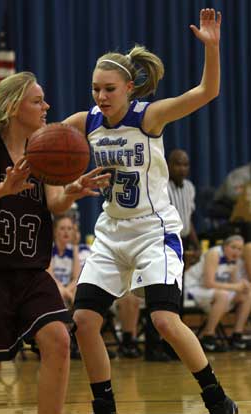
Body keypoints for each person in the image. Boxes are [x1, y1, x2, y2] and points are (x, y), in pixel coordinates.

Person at [64, 9, 238, 414]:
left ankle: (216, 397)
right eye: (95, 90)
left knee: (163, 321)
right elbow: (43, 140)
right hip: (110, 232)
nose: (101, 97)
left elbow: (206, 92)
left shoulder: (150, 117)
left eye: (109, 89)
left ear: (129, 87)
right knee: (86, 320)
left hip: (153, 231)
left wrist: (211, 50)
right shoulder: (85, 122)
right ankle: (104, 406)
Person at [0, 71, 110, 414]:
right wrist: (3, 189)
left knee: (59, 339)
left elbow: (54, 203)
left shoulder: (45, 148)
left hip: (33, 271)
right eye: (37, 101)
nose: (47, 106)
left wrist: (72, 191)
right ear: (13, 106)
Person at [184, 235, 251, 352]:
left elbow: (235, 285)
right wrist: (236, 286)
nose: (236, 251)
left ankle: (237, 336)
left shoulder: (234, 259)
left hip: (212, 292)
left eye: (239, 249)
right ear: (224, 247)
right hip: (192, 289)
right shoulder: (214, 254)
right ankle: (208, 336)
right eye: (233, 247)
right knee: (223, 295)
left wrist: (242, 284)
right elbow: (208, 283)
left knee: (247, 294)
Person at [167, 148, 200, 257]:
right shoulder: (163, 187)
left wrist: (197, 245)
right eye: (178, 164)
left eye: (185, 165)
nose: (182, 169)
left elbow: (188, 219)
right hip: (167, 241)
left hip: (185, 240)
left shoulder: (190, 187)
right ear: (168, 165)